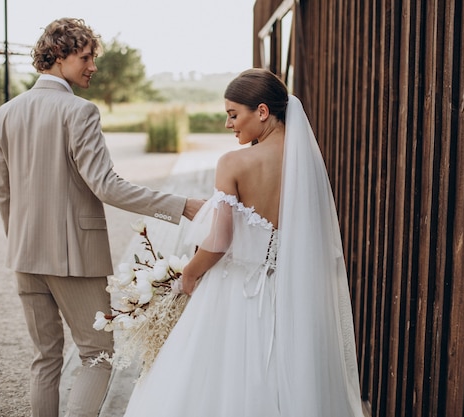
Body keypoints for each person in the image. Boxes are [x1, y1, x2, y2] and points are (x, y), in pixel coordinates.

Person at [122, 68, 364, 416]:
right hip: (293, 294)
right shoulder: (305, 162)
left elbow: (220, 239)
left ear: (262, 111)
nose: (227, 124)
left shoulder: (233, 163)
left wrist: (189, 274)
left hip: (237, 293)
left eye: (233, 114)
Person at [0, 17, 202, 417]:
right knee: (97, 355)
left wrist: (20, 241)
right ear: (57, 56)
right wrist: (181, 205)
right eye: (85, 57)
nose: (93, 66)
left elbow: (4, 193)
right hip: (75, 258)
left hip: (24, 255)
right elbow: (106, 185)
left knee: (45, 359)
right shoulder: (80, 111)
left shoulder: (6, 112)